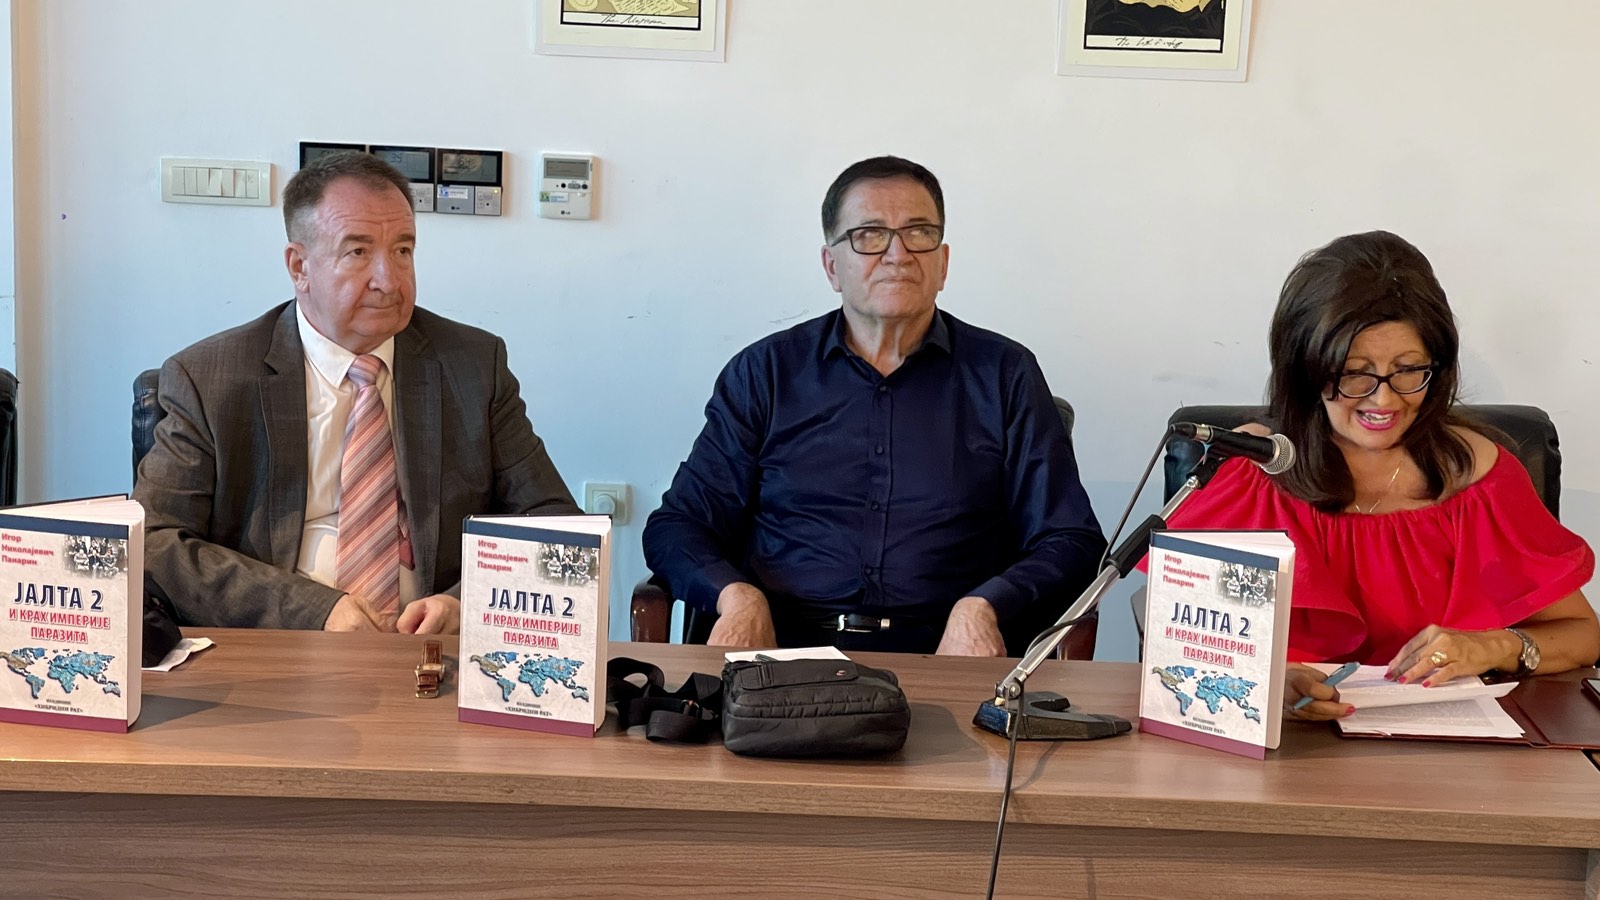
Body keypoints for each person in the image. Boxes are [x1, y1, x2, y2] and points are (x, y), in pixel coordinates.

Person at [642, 156, 1106, 656]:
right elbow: (678, 526)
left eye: (919, 233)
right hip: (784, 652)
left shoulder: (1004, 375)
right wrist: (738, 599)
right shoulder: (765, 374)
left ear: (943, 263)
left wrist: (983, 607)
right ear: (831, 266)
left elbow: (1071, 539)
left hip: (945, 652)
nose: (897, 254)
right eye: (869, 235)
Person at [1161, 231, 1598, 720]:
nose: (1384, 399)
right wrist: (1262, 684)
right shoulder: (1250, 472)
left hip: (1441, 748)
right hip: (1283, 744)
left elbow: (1581, 633)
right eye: (1354, 373)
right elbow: (1181, 644)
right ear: (1306, 370)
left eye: (1409, 370)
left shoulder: (1479, 480)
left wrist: (1492, 647)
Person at [135, 152, 579, 634]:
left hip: (429, 650)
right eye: (358, 253)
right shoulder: (210, 379)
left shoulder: (472, 366)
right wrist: (312, 610)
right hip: (281, 644)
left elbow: (555, 524)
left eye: (403, 250)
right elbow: (154, 542)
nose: (388, 280)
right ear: (299, 266)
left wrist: (467, 603)